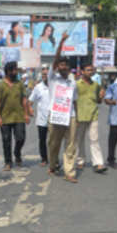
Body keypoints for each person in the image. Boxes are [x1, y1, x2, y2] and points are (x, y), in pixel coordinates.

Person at [47, 32, 79, 183]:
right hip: (55, 115)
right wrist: (61, 41)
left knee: (71, 144)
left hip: (70, 116)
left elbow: (75, 101)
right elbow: (55, 60)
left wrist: (76, 117)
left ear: (68, 68)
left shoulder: (72, 82)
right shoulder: (53, 77)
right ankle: (53, 164)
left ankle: (69, 171)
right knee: (54, 143)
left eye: (65, 65)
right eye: (60, 65)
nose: (63, 67)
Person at [0, 61, 29, 171]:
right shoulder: (0, 86)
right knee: (6, 140)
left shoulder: (19, 84)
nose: (15, 72)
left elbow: (24, 99)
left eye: (16, 70)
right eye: (13, 70)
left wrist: (26, 114)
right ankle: (8, 161)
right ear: (8, 71)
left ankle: (17, 153)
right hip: (5, 118)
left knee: (21, 138)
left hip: (19, 116)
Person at [76, 63, 107, 173]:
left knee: (94, 139)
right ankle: (80, 160)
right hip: (80, 116)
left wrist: (101, 97)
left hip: (93, 114)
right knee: (79, 140)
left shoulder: (96, 85)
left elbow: (99, 101)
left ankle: (98, 163)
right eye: (88, 70)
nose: (90, 72)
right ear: (83, 72)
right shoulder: (77, 84)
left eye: (92, 70)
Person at [28, 66, 51, 167]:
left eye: (47, 74)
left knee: (54, 141)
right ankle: (44, 158)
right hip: (42, 119)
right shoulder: (38, 87)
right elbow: (30, 101)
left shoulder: (56, 86)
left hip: (55, 119)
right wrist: (30, 109)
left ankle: (54, 159)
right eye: (43, 75)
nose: (45, 76)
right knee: (42, 140)